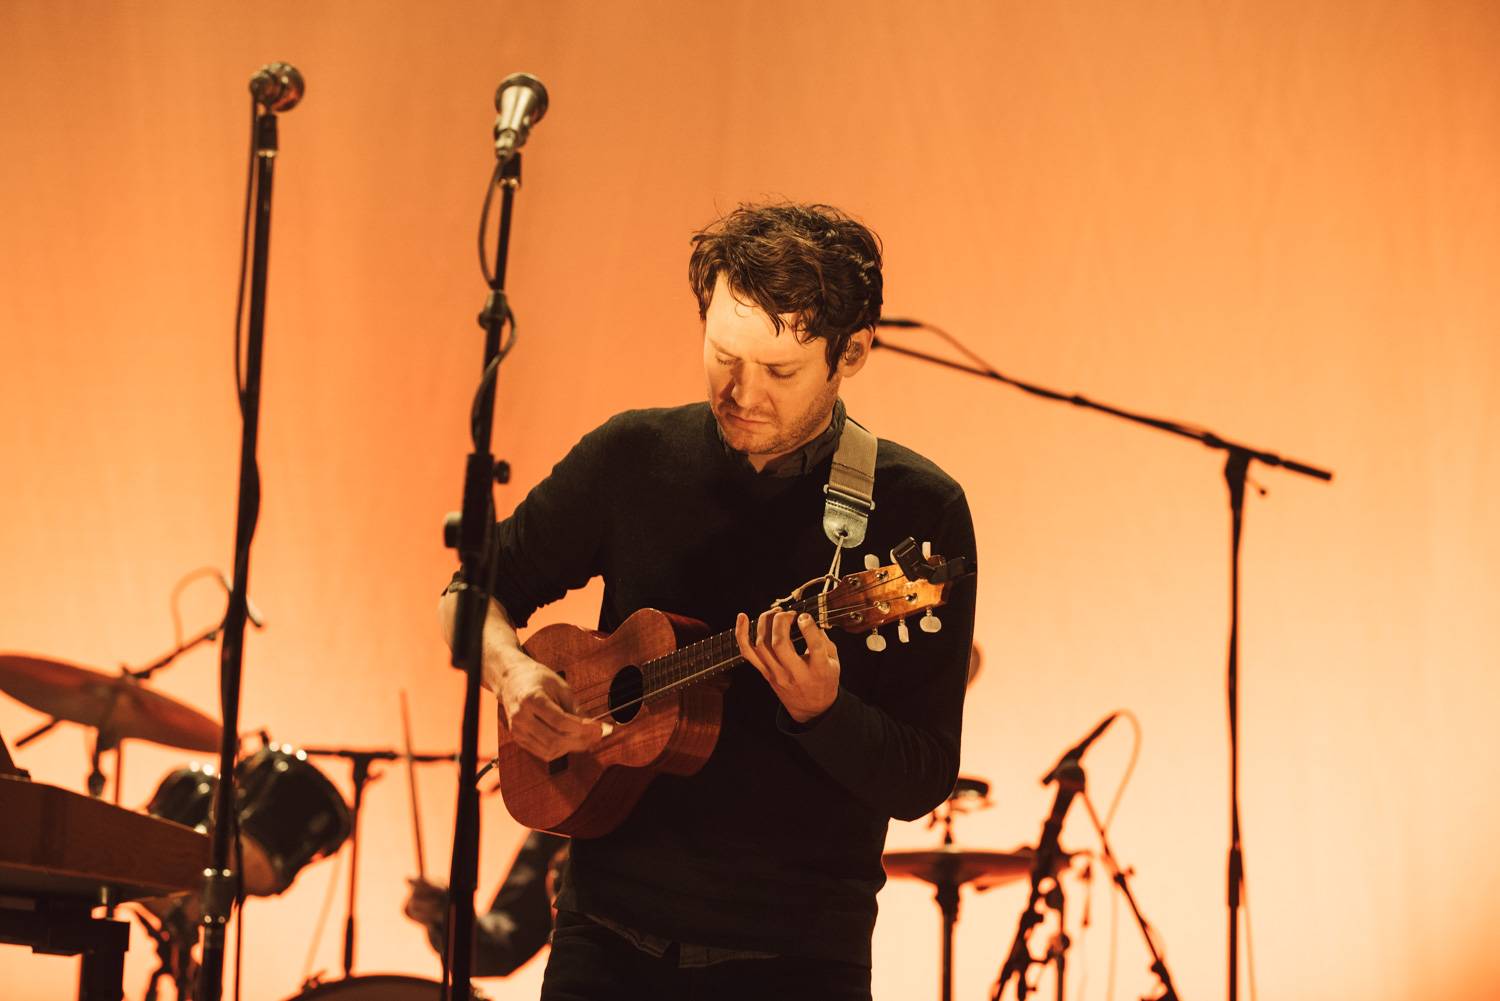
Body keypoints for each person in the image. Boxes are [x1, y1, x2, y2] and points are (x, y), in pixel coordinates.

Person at [439, 202, 978, 1001]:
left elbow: (922, 778)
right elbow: (468, 595)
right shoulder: (632, 457)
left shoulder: (917, 511)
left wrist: (825, 713)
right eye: (724, 355)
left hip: (798, 963)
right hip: (603, 938)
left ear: (853, 352)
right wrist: (512, 674)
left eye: (779, 371)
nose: (740, 392)